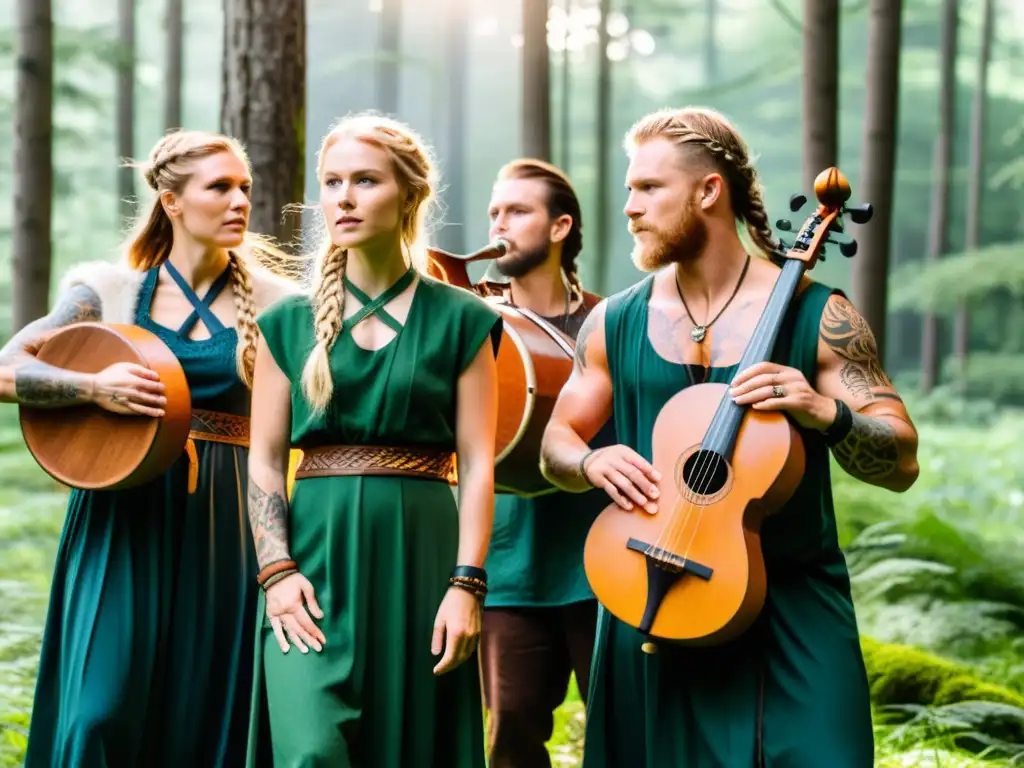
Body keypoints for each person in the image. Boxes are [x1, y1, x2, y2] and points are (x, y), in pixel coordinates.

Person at [538, 106, 921, 767]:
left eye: (649, 188)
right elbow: (555, 442)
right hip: (655, 596)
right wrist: (590, 462)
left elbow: (901, 459)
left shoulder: (820, 315)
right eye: (629, 190)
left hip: (792, 617)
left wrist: (823, 412)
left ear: (709, 190)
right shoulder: (614, 323)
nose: (629, 207)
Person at [0, 129, 300, 766]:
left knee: (204, 714)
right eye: (220, 187)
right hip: (121, 518)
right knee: (98, 712)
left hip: (229, 526)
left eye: (245, 186)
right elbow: (6, 369)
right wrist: (90, 385)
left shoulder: (279, 305)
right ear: (171, 200)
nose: (240, 200)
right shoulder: (105, 292)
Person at [244, 112, 502, 767]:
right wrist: (275, 572)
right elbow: (267, 462)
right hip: (312, 567)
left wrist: (466, 585)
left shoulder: (465, 320)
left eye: (365, 180)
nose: (344, 198)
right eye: (332, 183)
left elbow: (477, 465)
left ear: (410, 194)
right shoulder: (284, 323)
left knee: (410, 748)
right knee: (310, 753)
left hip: (422, 559)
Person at [478, 158, 613, 768]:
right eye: (494, 213)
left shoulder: (613, 320)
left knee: (619, 730)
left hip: (605, 564)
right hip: (507, 568)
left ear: (560, 227)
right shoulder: (471, 322)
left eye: (517, 211)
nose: (499, 224)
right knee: (509, 737)